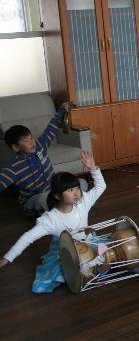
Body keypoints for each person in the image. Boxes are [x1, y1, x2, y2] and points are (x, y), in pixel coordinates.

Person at [0, 151, 105, 293]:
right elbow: (27, 238)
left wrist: (93, 168)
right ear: (57, 195)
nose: (76, 193)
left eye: (77, 188)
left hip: (87, 241)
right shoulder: (50, 220)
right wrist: (7, 258)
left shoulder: (83, 201)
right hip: (65, 249)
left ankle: (93, 269)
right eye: (70, 190)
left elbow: (100, 187)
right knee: (68, 270)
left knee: (106, 250)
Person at [0, 101, 87, 216]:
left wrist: (62, 110)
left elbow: (51, 129)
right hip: (33, 201)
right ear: (16, 147)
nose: (32, 142)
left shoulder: (40, 145)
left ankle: (71, 210)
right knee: (43, 199)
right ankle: (61, 214)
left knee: (81, 183)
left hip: (53, 192)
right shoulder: (13, 166)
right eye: (26, 141)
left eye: (31, 138)